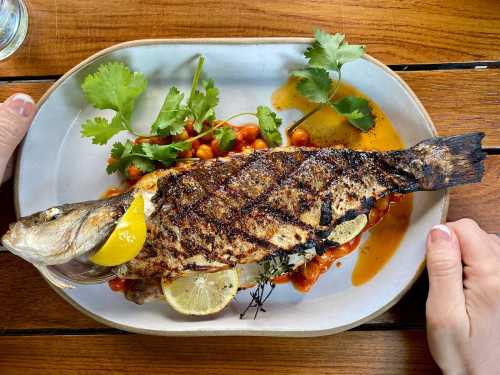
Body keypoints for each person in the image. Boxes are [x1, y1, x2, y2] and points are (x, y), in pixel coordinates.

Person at [0, 94, 499, 374]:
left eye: (49, 217)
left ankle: (424, 165)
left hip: (291, 188)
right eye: (48, 218)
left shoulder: (127, 216)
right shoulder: (109, 251)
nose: (39, 225)